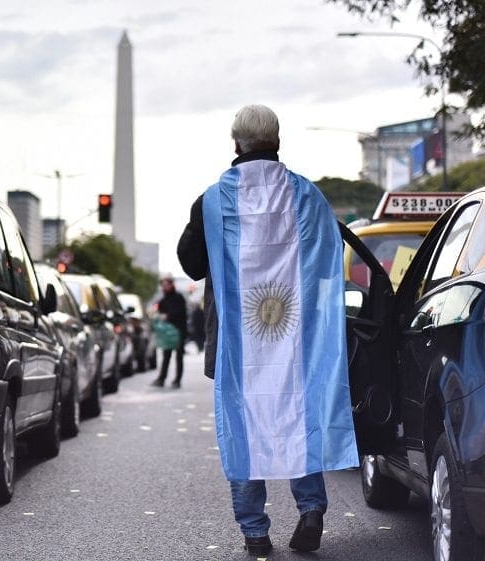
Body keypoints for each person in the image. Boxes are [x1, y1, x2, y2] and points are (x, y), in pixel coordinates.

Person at [176, 104, 358, 556]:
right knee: (300, 417)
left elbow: (192, 264)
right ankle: (311, 508)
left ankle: (255, 532)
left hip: (238, 342)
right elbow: (326, 263)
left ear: (235, 142)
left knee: (242, 425)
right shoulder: (307, 195)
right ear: (276, 140)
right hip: (298, 337)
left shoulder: (213, 200)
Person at [151, 274, 188, 388]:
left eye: (166, 285)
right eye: (163, 285)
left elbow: (181, 313)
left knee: (179, 357)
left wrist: (168, 316)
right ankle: (161, 378)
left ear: (172, 285)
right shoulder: (163, 300)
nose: (164, 287)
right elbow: (159, 313)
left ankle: (177, 380)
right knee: (166, 356)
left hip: (179, 331)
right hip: (167, 333)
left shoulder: (179, 297)